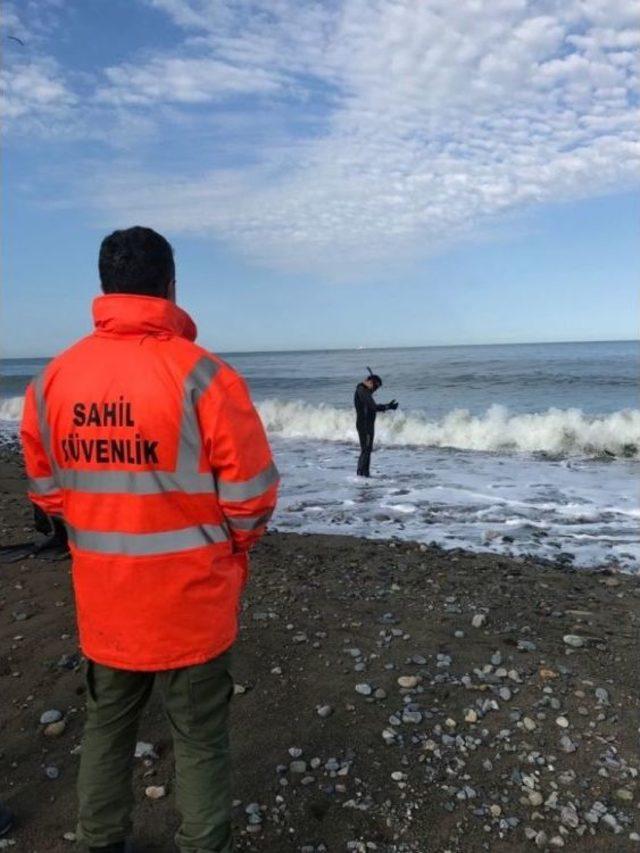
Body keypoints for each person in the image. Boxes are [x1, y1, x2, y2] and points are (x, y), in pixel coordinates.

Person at [20, 226, 279, 853]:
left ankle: (101, 841)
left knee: (107, 728)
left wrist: (99, 531)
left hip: (106, 599)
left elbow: (47, 490)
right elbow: (251, 498)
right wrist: (232, 553)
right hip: (192, 601)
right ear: (170, 287)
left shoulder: (54, 380)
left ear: (106, 288)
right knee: (199, 739)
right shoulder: (206, 377)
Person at [353, 368, 398, 477]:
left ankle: (364, 475)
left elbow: (371, 407)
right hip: (365, 425)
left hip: (366, 424)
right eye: (375, 386)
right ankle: (362, 475)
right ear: (369, 382)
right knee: (366, 450)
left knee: (366, 450)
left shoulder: (364, 391)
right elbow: (373, 407)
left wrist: (387, 406)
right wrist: (388, 406)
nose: (375, 390)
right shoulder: (362, 391)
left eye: (377, 388)